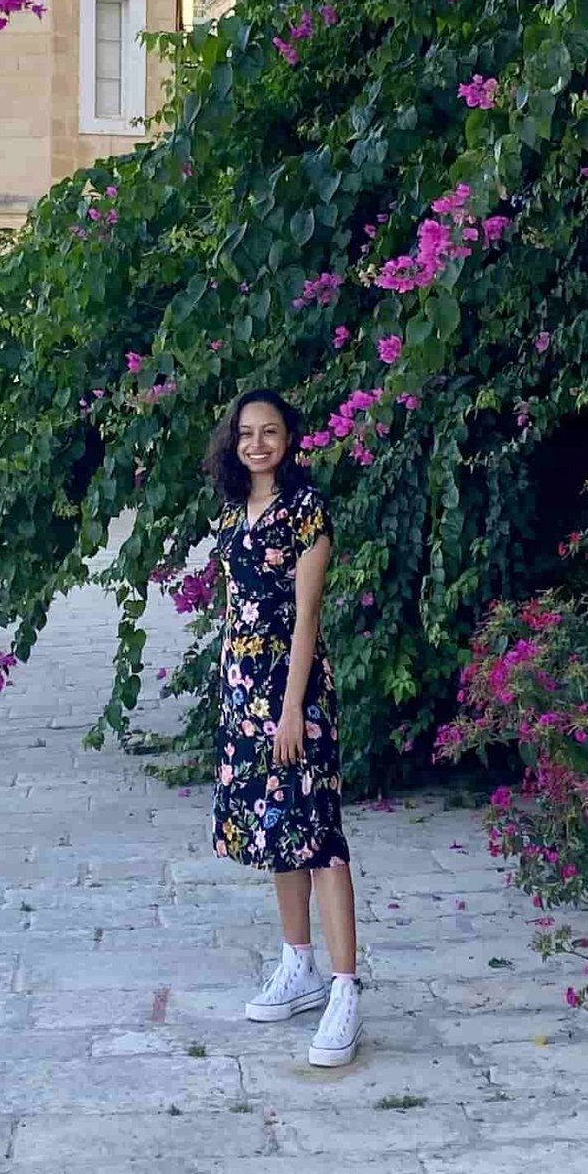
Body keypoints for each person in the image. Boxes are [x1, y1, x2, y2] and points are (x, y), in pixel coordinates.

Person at [204, 389, 363, 1069]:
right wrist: (230, 694)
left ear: (290, 439)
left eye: (270, 432)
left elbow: (306, 617)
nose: (258, 443)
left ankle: (345, 987)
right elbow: (236, 610)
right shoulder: (235, 514)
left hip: (293, 693)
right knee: (275, 831)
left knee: (318, 832)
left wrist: (293, 706)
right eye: (247, 433)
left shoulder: (306, 513)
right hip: (243, 696)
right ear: (235, 442)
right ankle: (297, 963)